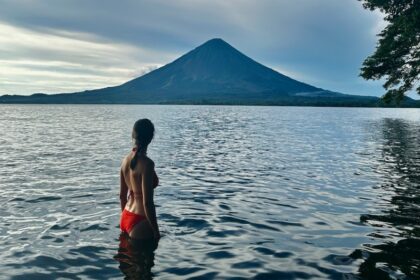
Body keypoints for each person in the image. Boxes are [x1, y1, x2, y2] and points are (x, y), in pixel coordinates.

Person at [119, 119, 160, 240]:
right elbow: (147, 203)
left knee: (125, 258)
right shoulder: (147, 164)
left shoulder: (125, 160)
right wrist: (156, 231)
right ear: (151, 138)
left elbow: (122, 196)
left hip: (126, 215)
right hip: (140, 220)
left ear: (133, 135)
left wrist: (124, 218)